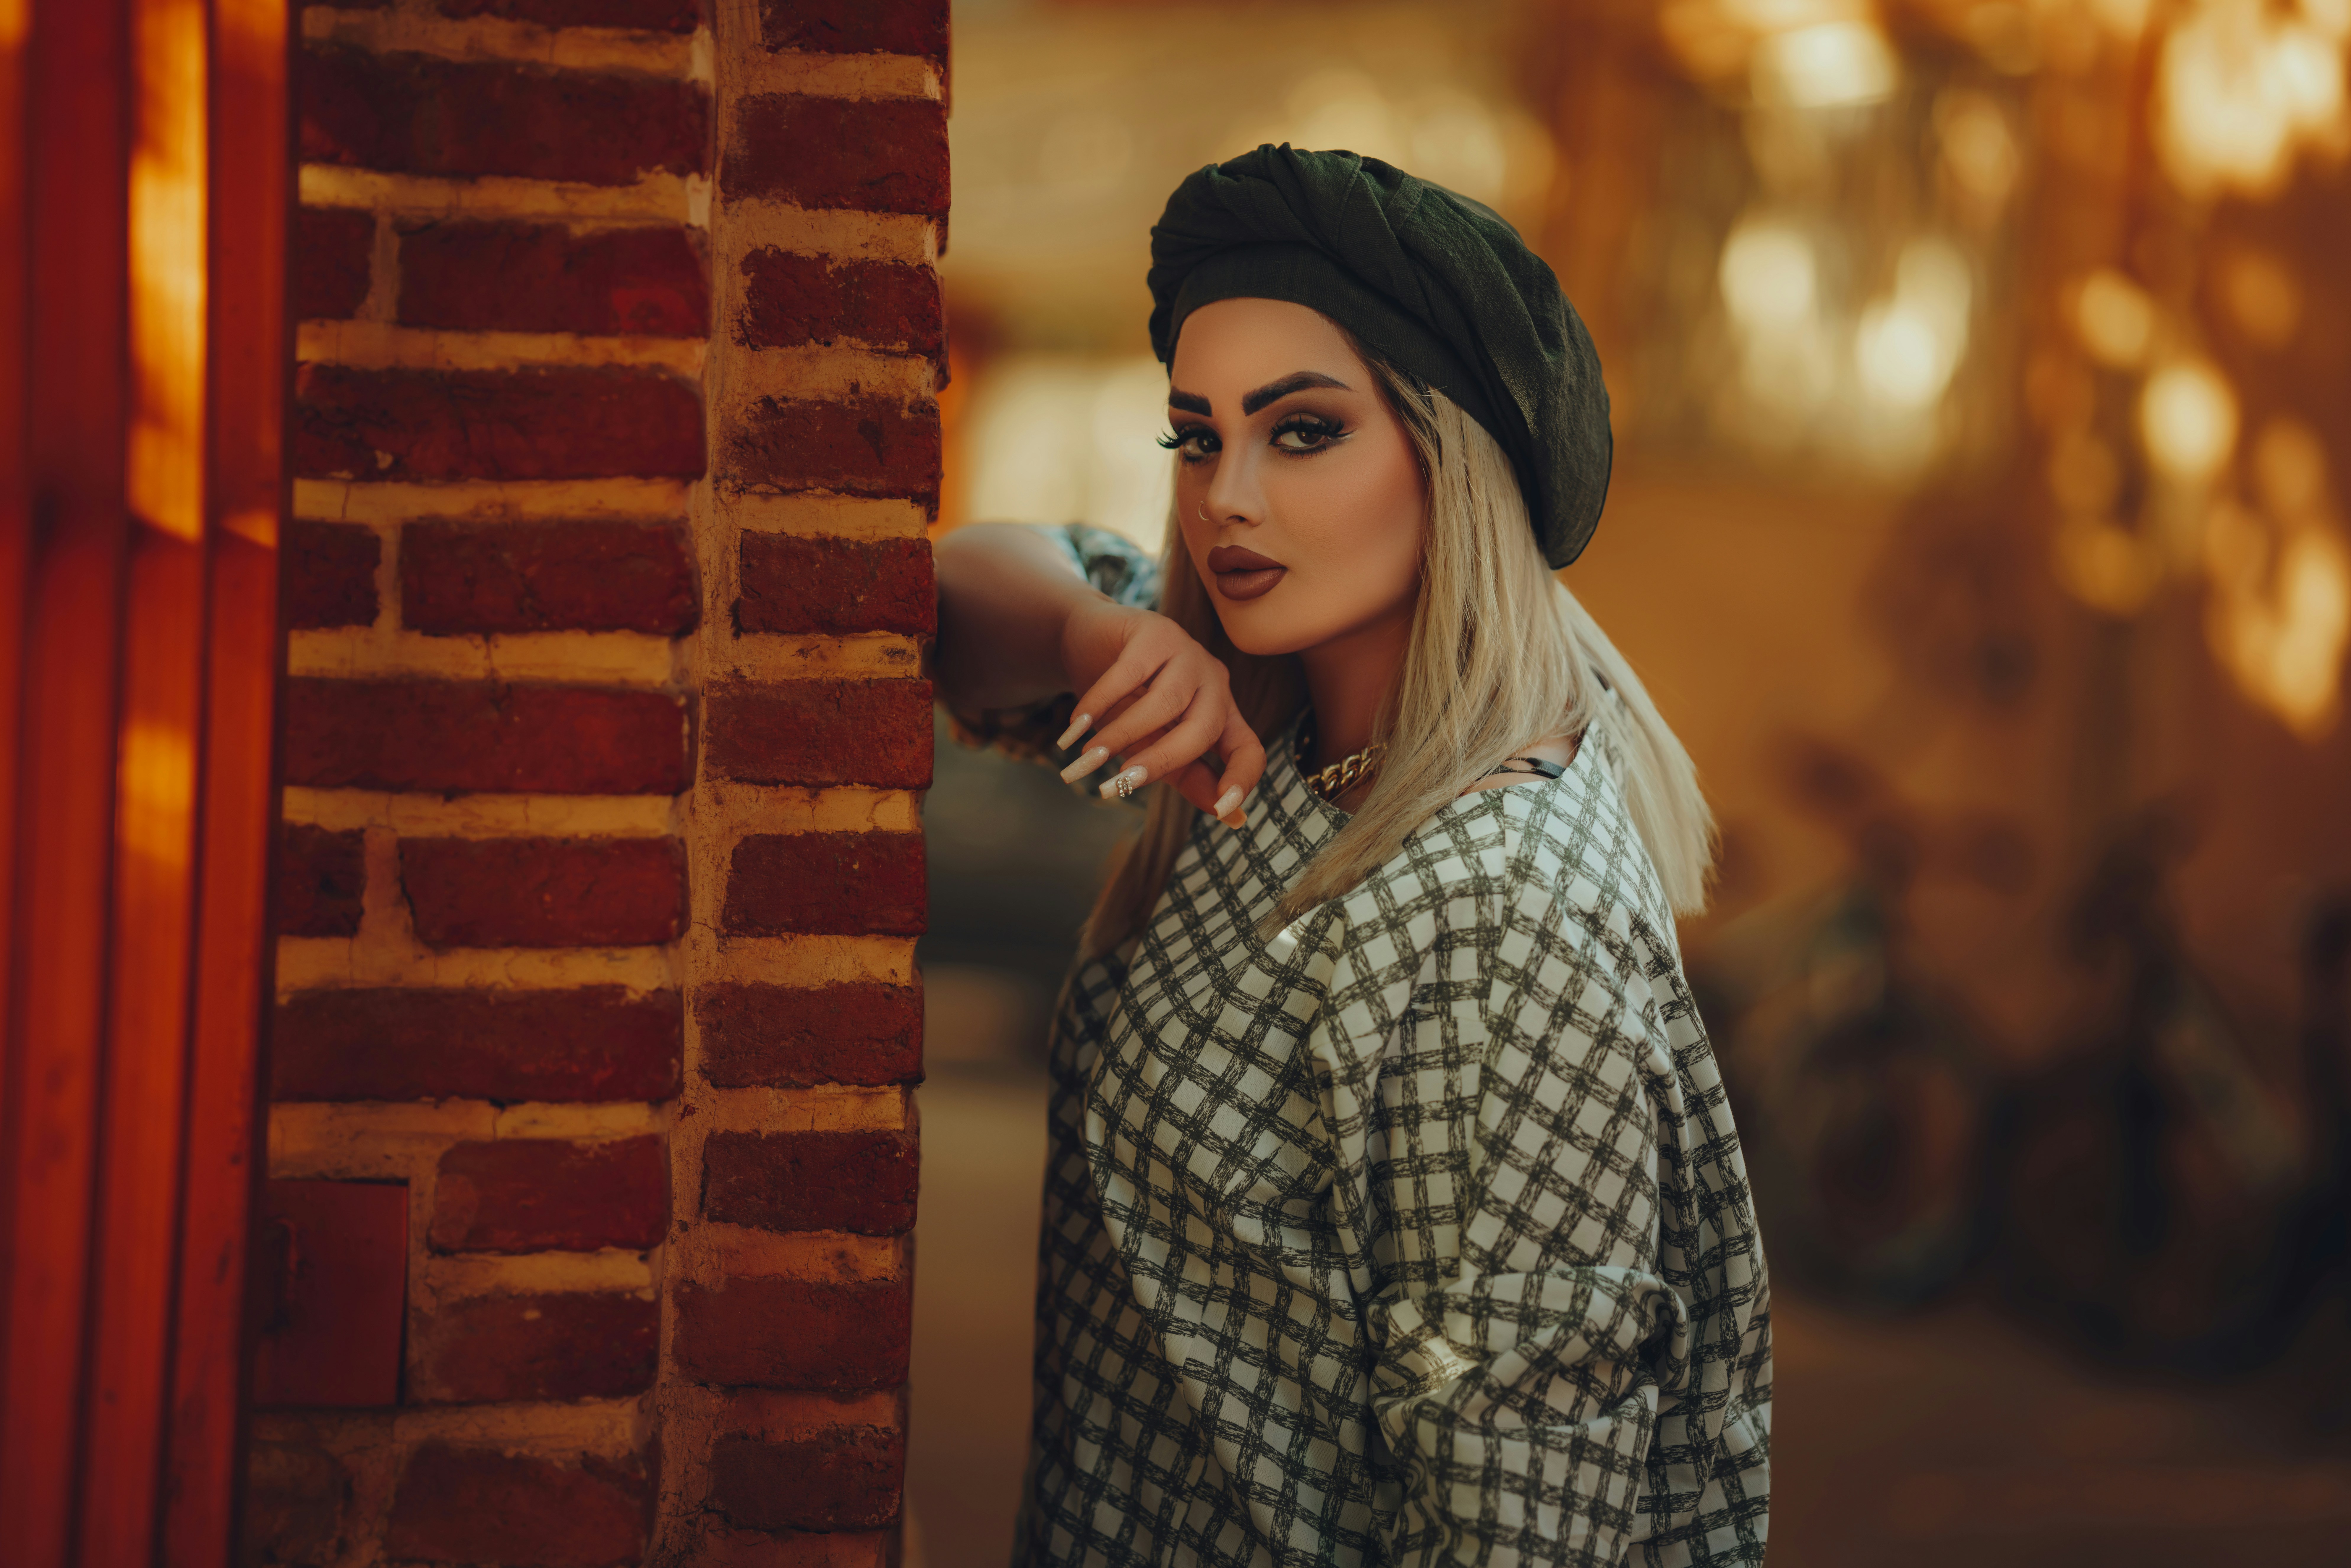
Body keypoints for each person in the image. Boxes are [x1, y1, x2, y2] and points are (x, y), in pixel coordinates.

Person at [934, 145, 1771, 1568]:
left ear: (1454, 455)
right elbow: (943, 595)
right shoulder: (1261, 700)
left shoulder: (1504, 916)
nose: (1225, 500)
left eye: (1303, 431)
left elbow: (1523, 1522)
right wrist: (1091, 636)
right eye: (1195, 437)